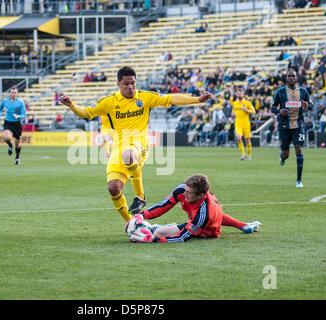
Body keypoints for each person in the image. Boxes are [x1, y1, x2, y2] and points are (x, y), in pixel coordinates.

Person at [59, 66, 212, 222]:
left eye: (133, 83)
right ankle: (132, 223)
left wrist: (197, 100)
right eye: (126, 84)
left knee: (128, 154)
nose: (130, 87)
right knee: (113, 187)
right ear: (118, 84)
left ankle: (140, 196)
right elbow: (86, 112)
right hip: (118, 148)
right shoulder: (109, 102)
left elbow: (171, 98)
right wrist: (71, 104)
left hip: (140, 144)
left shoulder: (145, 97)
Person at [125, 174, 262, 243]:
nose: (184, 195)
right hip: (206, 219)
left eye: (189, 193)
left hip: (208, 232)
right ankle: (244, 226)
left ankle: (155, 229)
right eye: (185, 190)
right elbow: (163, 206)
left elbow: (183, 236)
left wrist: (156, 240)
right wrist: (141, 215)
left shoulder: (204, 213)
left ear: (201, 195)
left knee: (158, 233)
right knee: (157, 231)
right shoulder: (182, 190)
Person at [271, 69, 313, 188]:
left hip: (298, 125)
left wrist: (307, 106)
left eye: (293, 76)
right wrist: (279, 111)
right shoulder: (280, 92)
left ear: (296, 78)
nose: (291, 78)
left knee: (298, 149)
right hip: (284, 125)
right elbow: (273, 108)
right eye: (289, 76)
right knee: (286, 154)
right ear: (286, 78)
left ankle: (299, 180)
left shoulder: (303, 92)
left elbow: (311, 105)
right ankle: (282, 156)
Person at [0, 86, 26, 165]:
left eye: (15, 93)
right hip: (8, 122)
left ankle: (17, 157)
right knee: (6, 137)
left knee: (17, 143)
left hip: (17, 124)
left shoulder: (20, 102)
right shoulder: (5, 101)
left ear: (17, 94)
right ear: (10, 93)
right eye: (12, 92)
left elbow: (24, 114)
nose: (13, 94)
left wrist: (18, 116)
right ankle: (10, 145)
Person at [232, 87, 255, 160]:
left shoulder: (248, 103)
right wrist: (233, 114)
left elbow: (254, 112)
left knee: (247, 140)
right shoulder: (235, 103)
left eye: (240, 93)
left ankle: (249, 155)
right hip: (238, 124)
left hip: (246, 124)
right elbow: (233, 112)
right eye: (238, 93)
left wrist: (247, 110)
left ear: (243, 94)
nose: (239, 94)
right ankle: (243, 154)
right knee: (238, 138)